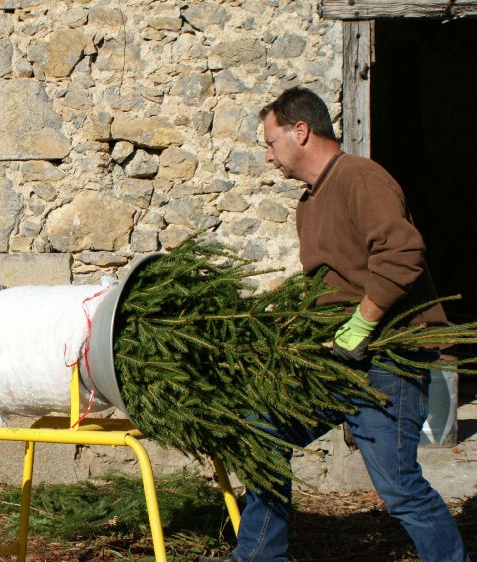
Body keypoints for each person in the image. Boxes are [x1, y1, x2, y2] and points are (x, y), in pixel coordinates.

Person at [198, 87, 470, 562]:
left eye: (270, 141)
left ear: (300, 131)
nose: (267, 156)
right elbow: (331, 287)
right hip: (337, 362)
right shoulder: (309, 203)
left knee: (399, 487)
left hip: (387, 359)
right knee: (262, 433)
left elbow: (403, 254)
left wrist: (362, 323)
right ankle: (259, 556)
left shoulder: (361, 178)